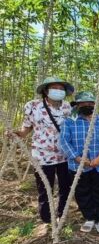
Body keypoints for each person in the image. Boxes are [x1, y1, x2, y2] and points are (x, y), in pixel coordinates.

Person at [8, 77, 73, 232]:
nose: (58, 90)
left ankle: (61, 215)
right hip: (42, 155)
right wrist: (18, 133)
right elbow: (26, 128)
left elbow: (70, 129)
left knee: (65, 186)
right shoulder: (33, 106)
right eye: (54, 87)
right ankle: (47, 218)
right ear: (46, 90)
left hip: (64, 154)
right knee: (45, 187)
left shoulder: (67, 107)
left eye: (61, 88)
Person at [59, 91, 99, 233]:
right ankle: (89, 217)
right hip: (78, 166)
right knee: (82, 192)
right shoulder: (70, 121)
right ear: (77, 105)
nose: (88, 105)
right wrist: (78, 158)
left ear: (95, 105)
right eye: (84, 103)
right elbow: (64, 141)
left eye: (91, 103)